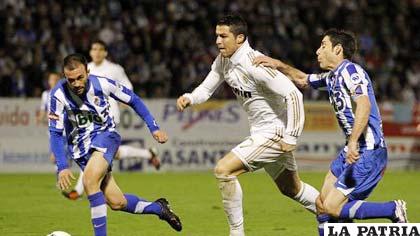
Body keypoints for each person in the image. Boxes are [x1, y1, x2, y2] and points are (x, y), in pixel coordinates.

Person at [253, 28, 408, 235]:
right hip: (352, 150)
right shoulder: (332, 77)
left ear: (338, 49)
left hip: (369, 150)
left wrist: (353, 141)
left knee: (332, 207)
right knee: (321, 206)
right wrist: (278, 64)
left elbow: (363, 105)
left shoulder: (351, 71)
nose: (317, 51)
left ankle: (392, 209)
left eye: (323, 45)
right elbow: (303, 79)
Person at [176, 14, 319, 236]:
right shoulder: (223, 61)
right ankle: (337, 214)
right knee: (292, 189)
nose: (217, 41)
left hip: (275, 133)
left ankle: (237, 233)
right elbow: (207, 88)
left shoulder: (256, 63)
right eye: (216, 36)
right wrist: (191, 98)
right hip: (263, 132)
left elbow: (294, 95)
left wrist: (291, 136)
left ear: (240, 38)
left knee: (224, 170)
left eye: (223, 36)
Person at [49, 53, 182, 236]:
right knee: (116, 202)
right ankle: (159, 208)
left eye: (80, 77)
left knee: (89, 181)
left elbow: (134, 100)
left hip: (105, 136)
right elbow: (55, 133)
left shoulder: (103, 84)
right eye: (71, 80)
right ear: (65, 77)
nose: (77, 84)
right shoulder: (57, 95)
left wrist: (154, 128)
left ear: (87, 71)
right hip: (81, 151)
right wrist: (62, 166)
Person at [65, 40, 161, 200]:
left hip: (108, 114)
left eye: (99, 49)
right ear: (90, 52)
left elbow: (128, 88)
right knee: (107, 152)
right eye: (93, 49)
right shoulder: (84, 68)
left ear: (105, 53)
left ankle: (79, 189)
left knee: (93, 149)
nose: (96, 52)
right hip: (87, 116)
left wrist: (121, 100)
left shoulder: (115, 69)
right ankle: (148, 154)